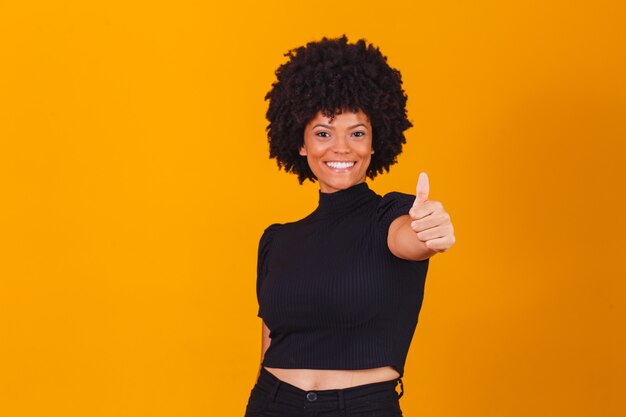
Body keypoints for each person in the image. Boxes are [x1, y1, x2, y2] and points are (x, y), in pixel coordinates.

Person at [244, 35, 456, 417]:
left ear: (374, 144)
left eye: (357, 133)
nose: (341, 148)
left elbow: (410, 238)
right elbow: (270, 346)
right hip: (272, 404)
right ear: (302, 143)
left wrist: (430, 229)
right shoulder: (277, 241)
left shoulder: (391, 215)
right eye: (323, 133)